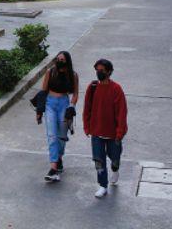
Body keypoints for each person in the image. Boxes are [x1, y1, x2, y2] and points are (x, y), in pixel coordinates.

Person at [83, 59, 127, 199]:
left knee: (115, 157)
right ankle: (103, 185)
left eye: (101, 70)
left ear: (109, 71)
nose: (98, 72)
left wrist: (120, 132)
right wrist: (87, 126)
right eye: (97, 70)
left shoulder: (116, 89)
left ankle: (115, 169)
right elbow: (87, 108)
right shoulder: (93, 87)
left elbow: (121, 112)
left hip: (113, 133)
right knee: (98, 160)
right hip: (96, 132)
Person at [36, 51, 79, 182]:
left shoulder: (73, 75)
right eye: (58, 58)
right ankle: (53, 167)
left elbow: (75, 94)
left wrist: (72, 106)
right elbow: (43, 91)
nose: (59, 61)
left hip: (64, 104)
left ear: (67, 61)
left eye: (62, 59)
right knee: (52, 135)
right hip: (50, 104)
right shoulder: (51, 72)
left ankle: (59, 157)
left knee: (61, 136)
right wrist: (39, 110)